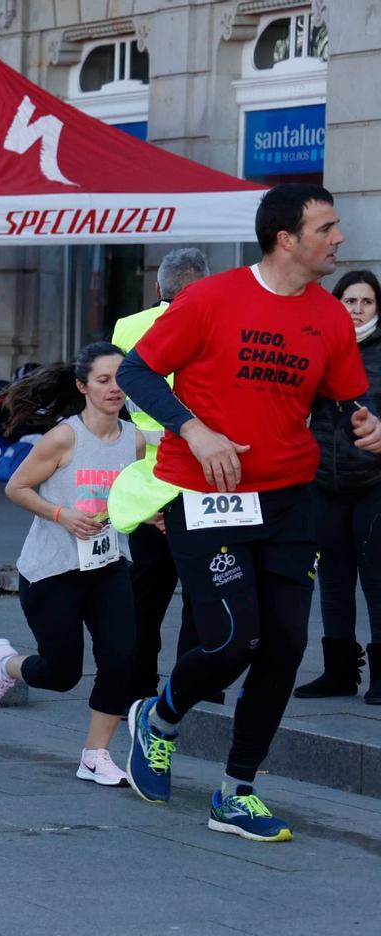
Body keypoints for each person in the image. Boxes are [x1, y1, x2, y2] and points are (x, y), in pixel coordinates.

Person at [116, 183, 378, 842]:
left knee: (287, 644)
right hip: (207, 496)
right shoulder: (211, 298)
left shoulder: (329, 317)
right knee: (235, 638)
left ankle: (236, 791)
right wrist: (195, 430)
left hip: (290, 499)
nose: (339, 238)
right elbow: (137, 373)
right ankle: (160, 717)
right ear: (286, 238)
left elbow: (344, 400)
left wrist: (366, 423)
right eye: (327, 228)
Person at [0, 343, 144, 786]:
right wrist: (62, 514)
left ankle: (95, 754)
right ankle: (4, 664)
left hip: (108, 564)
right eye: (103, 380)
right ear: (83, 386)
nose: (114, 389)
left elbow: (127, 497)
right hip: (53, 570)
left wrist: (148, 515)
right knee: (62, 673)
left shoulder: (134, 438)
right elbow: (17, 487)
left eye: (120, 379)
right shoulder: (65, 437)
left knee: (121, 658)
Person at [112, 248, 210, 703]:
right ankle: (195, 692)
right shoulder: (215, 324)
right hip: (199, 478)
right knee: (202, 596)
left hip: (145, 482)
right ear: (204, 286)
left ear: (158, 288)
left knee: (144, 600)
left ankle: (137, 689)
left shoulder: (128, 327)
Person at [296, 269, 381, 701]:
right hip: (323, 483)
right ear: (337, 304)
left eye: (367, 302)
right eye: (351, 301)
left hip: (373, 483)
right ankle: (339, 673)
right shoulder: (320, 347)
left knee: (377, 580)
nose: (358, 310)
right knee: (332, 580)